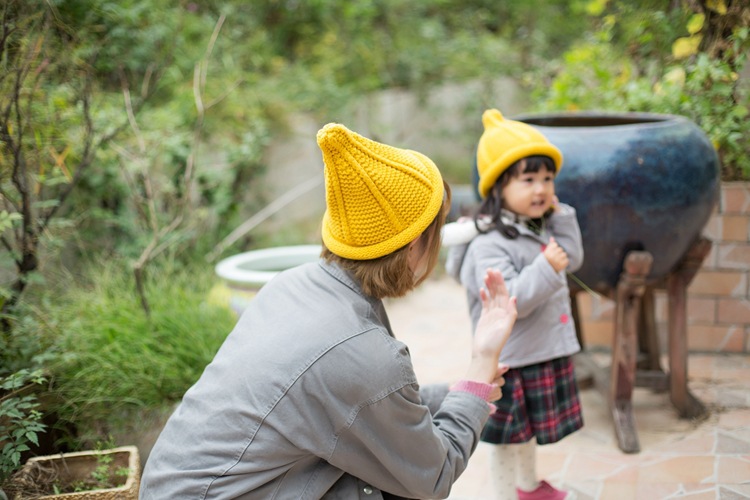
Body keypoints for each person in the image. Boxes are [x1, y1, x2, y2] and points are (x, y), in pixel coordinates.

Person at [139, 122, 518, 499]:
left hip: (171, 486)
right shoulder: (362, 353)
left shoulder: (291, 285)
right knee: (391, 485)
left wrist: (452, 393)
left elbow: (359, 402)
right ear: (416, 242)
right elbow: (432, 476)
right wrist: (479, 373)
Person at [444, 109, 584, 500]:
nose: (541, 188)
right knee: (507, 440)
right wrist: (545, 266)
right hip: (512, 361)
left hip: (540, 352)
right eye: (528, 180)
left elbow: (573, 259)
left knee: (528, 434)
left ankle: (528, 486)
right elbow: (508, 303)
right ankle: (507, 494)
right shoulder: (489, 243)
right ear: (498, 188)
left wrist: (562, 214)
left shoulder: (539, 225)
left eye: (547, 179)